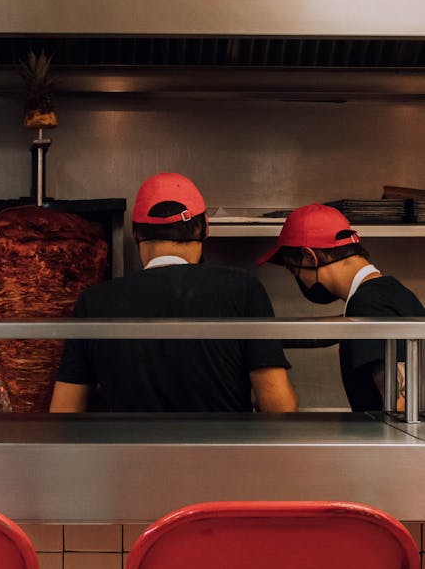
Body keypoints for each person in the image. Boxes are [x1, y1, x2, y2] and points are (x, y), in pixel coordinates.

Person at [50, 172, 298, 414]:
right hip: (223, 455)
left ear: (136, 233)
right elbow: (279, 408)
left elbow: (63, 413)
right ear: (205, 228)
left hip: (129, 455)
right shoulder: (244, 289)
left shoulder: (93, 303)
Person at [257, 202, 425, 412]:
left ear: (310, 257)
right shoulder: (392, 293)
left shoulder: (366, 304)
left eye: (294, 271)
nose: (299, 279)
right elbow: (336, 330)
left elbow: (401, 406)